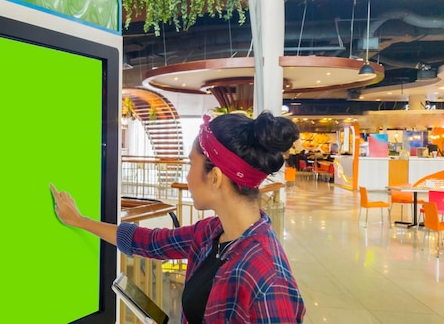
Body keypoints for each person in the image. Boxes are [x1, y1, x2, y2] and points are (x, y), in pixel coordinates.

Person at [50, 111, 306, 323]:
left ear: (215, 178)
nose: (187, 176)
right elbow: (149, 242)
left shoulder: (269, 279)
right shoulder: (212, 232)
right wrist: (78, 220)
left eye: (190, 164)